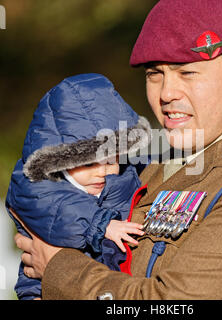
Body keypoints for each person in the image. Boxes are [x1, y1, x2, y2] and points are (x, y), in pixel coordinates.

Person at [13, 0, 222, 300]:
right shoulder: (147, 159)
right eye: (155, 74)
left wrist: (58, 268)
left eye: (187, 73)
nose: (166, 94)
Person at [6, 73, 151, 299]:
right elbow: (58, 207)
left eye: (110, 159)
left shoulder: (124, 173)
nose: (101, 171)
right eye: (87, 162)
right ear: (61, 160)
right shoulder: (37, 184)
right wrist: (101, 224)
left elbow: (146, 166)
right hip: (43, 285)